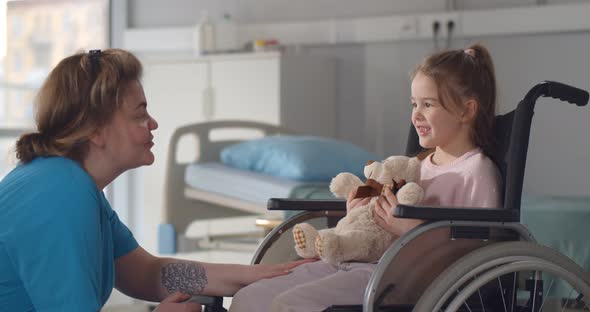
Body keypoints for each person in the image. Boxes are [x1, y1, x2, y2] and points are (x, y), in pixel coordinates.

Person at [0, 49, 311, 312]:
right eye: (139, 115)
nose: (152, 123)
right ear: (94, 129)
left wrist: (259, 275)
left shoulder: (70, 184)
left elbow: (147, 274)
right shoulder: (60, 194)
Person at [229, 43, 502, 311]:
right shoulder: (415, 165)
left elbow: (477, 254)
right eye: (413, 104)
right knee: (251, 298)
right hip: (359, 260)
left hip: (404, 279)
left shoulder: (476, 172)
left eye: (428, 104)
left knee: (290, 304)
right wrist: (355, 214)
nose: (416, 115)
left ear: (467, 110)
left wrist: (411, 233)